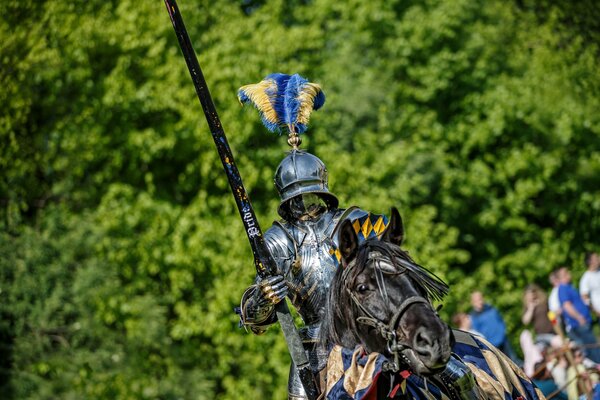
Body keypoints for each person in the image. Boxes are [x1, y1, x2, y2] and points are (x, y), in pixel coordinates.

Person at [235, 73, 390, 399]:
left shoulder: (353, 224)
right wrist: (266, 294)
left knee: (430, 372)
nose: (305, 204)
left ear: (322, 192)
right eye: (298, 199)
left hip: (365, 339)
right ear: (287, 200)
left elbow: (391, 266)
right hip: (313, 354)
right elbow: (252, 320)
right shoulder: (279, 241)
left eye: (310, 196)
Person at [556, 266, 600, 363]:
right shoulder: (562, 288)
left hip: (583, 321)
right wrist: (578, 317)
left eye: (568, 272)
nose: (568, 274)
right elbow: (567, 306)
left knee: (593, 346)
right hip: (579, 323)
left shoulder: (569, 286)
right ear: (560, 278)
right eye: (565, 274)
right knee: (593, 349)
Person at [469, 291, 522, 366]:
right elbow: (477, 334)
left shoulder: (490, 308)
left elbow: (500, 319)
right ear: (472, 302)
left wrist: (503, 330)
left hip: (503, 339)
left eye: (480, 299)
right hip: (492, 345)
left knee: (515, 361)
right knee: (503, 366)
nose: (479, 301)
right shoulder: (473, 317)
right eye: (476, 300)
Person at [580, 252, 600, 317]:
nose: (599, 259)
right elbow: (584, 297)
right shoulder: (586, 278)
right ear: (590, 262)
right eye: (596, 258)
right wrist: (594, 310)